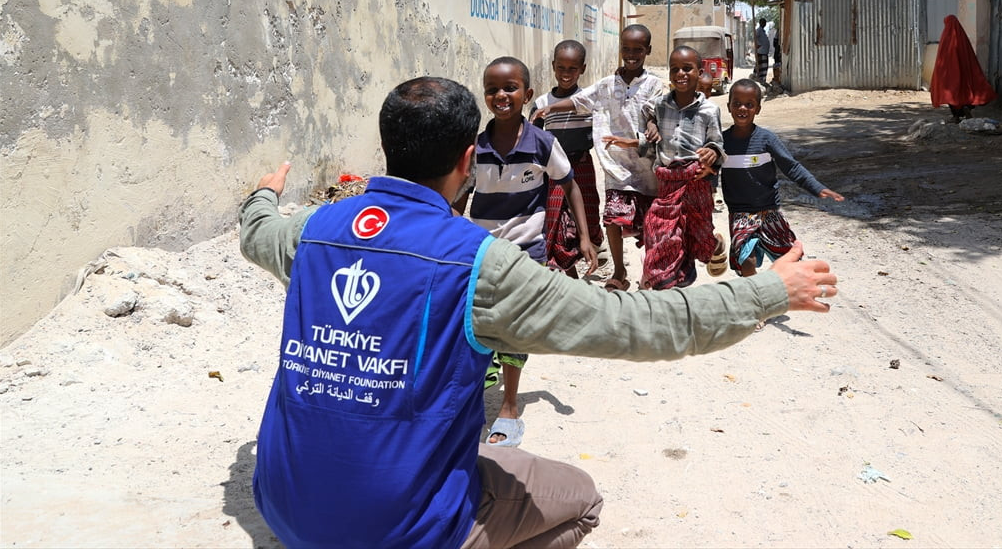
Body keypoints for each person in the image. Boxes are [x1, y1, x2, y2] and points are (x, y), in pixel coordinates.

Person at [240, 75, 840, 549]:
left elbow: (257, 233)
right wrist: (769, 291)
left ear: (388, 149)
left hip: (284, 508)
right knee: (581, 500)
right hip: (398, 530)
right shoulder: (478, 263)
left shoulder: (315, 231)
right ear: (466, 161)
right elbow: (639, 325)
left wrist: (265, 192)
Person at [456, 56, 598, 447]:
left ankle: (509, 406)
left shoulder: (542, 143)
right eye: (492, 89)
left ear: (528, 94)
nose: (501, 95)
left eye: (510, 88)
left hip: (526, 250)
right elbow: (461, 196)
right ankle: (472, 400)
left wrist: (585, 237)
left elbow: (570, 185)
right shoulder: (476, 148)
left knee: (516, 326)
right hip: (482, 250)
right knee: (477, 320)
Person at [532, 25, 666, 292]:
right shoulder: (606, 85)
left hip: (645, 167)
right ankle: (618, 271)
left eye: (637, 50)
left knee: (648, 224)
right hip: (613, 166)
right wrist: (550, 107)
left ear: (647, 51)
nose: (631, 54)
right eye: (626, 49)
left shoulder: (655, 85)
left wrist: (653, 124)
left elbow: (658, 112)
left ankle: (649, 271)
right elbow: (581, 101)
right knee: (613, 219)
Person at [606, 46, 726, 289]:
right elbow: (646, 116)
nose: (680, 74)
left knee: (697, 237)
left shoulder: (709, 111)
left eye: (687, 68)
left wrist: (712, 153)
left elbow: (717, 144)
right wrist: (648, 126)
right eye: (675, 69)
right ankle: (665, 283)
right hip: (668, 183)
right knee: (660, 231)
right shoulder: (660, 105)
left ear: (700, 71)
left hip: (696, 183)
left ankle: (714, 245)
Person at [722, 78, 844, 282]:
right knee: (747, 262)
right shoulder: (722, 142)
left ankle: (796, 290)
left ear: (758, 109)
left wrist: (817, 188)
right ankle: (758, 300)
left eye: (749, 104)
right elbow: (709, 171)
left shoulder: (766, 139)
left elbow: (792, 166)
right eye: (737, 103)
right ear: (729, 106)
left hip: (769, 210)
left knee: (789, 259)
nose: (742, 108)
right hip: (739, 213)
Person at [532, 40, 604, 278]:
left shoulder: (588, 100)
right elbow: (535, 137)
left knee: (589, 216)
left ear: (582, 69)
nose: (566, 74)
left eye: (572, 69)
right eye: (561, 67)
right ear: (553, 66)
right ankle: (569, 275)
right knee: (557, 222)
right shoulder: (542, 104)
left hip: (582, 166)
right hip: (553, 172)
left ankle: (593, 247)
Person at [930, 14, 996, 122]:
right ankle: (967, 108)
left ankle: (956, 116)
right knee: (965, 90)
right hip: (964, 70)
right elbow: (969, 56)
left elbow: (941, 58)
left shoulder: (946, 37)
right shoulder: (962, 38)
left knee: (951, 92)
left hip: (949, 73)